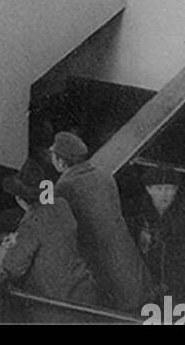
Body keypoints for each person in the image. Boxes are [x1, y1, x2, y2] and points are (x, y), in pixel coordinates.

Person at [50, 131, 151, 311]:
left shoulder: (64, 187)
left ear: (60, 161)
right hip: (131, 265)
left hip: (105, 274)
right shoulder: (104, 175)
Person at [0, 161, 97, 317]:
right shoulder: (61, 204)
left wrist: (15, 244)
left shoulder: (32, 223)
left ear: (20, 200)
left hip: (57, 305)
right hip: (83, 291)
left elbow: (13, 267)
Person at [130, 165, 185, 305]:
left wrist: (170, 284)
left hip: (177, 285)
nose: (164, 194)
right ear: (149, 189)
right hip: (145, 281)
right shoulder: (138, 215)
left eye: (169, 189)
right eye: (159, 189)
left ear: (176, 190)